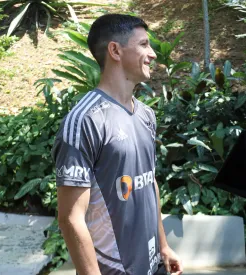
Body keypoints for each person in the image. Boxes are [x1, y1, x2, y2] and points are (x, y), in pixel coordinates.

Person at [52, 14, 183, 275]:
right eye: (144, 44)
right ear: (115, 50)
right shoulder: (85, 121)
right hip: (113, 268)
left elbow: (149, 183)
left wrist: (164, 246)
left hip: (152, 262)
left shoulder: (146, 114)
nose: (153, 54)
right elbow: (70, 217)